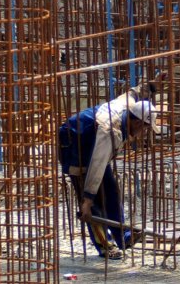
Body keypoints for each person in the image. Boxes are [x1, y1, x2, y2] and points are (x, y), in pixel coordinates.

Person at [58, 91, 157, 260]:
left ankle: (123, 236)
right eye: (145, 129)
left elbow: (133, 93)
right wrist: (87, 200)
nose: (144, 133)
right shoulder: (110, 131)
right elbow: (96, 166)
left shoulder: (127, 106)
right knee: (94, 204)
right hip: (74, 146)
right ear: (139, 123)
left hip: (92, 144)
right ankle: (105, 246)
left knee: (112, 191)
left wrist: (152, 85)